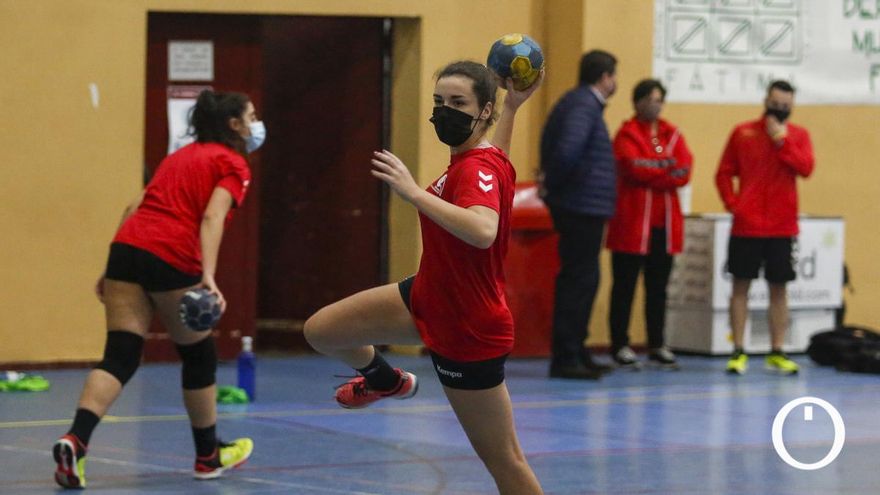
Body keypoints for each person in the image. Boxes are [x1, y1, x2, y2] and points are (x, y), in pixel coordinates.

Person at [303, 61, 544, 495]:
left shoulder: (475, 171)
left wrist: (413, 192)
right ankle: (385, 381)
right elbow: (496, 160)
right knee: (322, 330)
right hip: (427, 295)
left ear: (482, 111)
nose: (444, 111)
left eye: (457, 103)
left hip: (467, 327)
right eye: (438, 102)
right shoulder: (485, 160)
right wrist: (512, 108)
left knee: (506, 462)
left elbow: (483, 229)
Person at [52, 90, 264, 488]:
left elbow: (134, 207)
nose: (257, 123)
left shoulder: (179, 156)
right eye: (252, 116)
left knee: (120, 355)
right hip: (171, 253)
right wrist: (209, 276)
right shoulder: (233, 163)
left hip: (126, 249)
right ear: (234, 125)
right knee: (199, 356)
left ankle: (75, 441)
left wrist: (109, 269)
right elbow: (213, 217)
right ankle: (208, 456)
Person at [715, 80, 814, 375]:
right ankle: (738, 350)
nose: (780, 109)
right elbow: (723, 173)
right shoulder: (743, 132)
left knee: (779, 289)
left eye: (786, 105)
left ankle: (777, 350)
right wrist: (735, 205)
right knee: (740, 286)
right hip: (747, 227)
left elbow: (806, 168)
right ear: (766, 100)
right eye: (776, 102)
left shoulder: (798, 136)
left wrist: (782, 141)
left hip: (782, 227)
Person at [540, 50, 618, 379]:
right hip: (579, 205)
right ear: (604, 77)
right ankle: (567, 355)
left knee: (585, 278)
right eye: (613, 75)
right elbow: (567, 151)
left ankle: (577, 349)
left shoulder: (579, 104)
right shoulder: (583, 106)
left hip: (581, 203)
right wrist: (554, 188)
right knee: (579, 280)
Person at [605, 79, 693, 370]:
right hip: (632, 226)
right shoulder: (626, 133)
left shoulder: (673, 133)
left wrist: (656, 167)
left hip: (664, 229)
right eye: (653, 99)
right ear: (639, 101)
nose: (657, 105)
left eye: (661, 100)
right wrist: (664, 167)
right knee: (625, 287)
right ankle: (620, 344)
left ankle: (657, 343)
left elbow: (684, 170)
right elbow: (633, 167)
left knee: (659, 288)